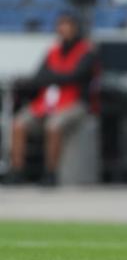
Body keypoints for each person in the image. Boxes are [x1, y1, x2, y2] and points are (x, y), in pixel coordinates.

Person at [7, 12, 99, 186]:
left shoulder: (87, 52)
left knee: (53, 125)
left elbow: (76, 76)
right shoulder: (53, 51)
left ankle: (51, 173)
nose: (63, 29)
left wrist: (53, 76)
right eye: (60, 25)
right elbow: (39, 76)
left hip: (74, 103)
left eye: (67, 25)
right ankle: (17, 171)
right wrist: (57, 77)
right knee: (18, 123)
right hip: (47, 102)